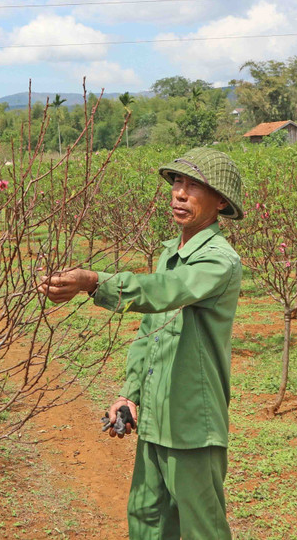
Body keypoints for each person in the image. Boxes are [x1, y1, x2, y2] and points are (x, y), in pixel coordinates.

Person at [38, 147, 243, 540]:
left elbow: (165, 292)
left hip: (191, 422)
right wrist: (130, 394)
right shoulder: (171, 253)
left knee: (204, 528)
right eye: (177, 183)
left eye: (194, 186)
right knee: (146, 518)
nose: (180, 194)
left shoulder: (219, 260)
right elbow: (150, 332)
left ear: (220, 201)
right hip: (155, 416)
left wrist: (93, 281)